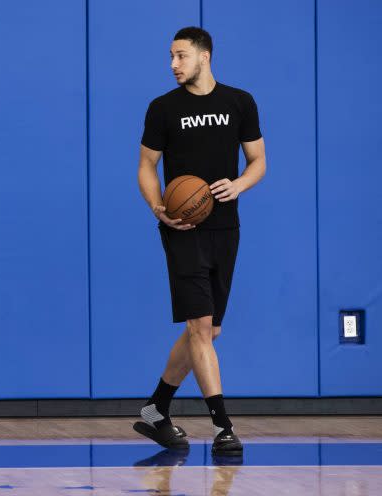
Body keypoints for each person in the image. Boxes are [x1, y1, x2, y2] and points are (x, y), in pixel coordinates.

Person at [134, 26, 267, 455]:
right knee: (198, 326)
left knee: (210, 330)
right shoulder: (162, 109)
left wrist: (241, 185)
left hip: (226, 228)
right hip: (182, 229)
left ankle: (156, 408)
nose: (173, 64)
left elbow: (258, 160)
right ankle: (223, 427)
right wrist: (159, 208)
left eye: (180, 56)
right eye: (170, 57)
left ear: (204, 56)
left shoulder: (239, 102)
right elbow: (146, 166)